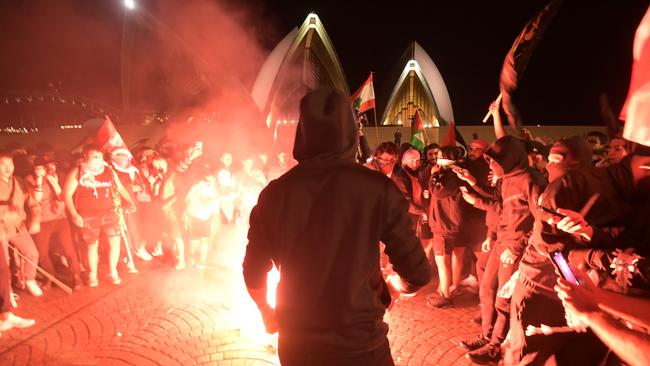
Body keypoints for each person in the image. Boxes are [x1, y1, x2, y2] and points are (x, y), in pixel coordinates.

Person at [243, 87, 431, 366]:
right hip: (360, 345)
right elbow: (417, 272)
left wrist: (266, 312)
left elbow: (253, 270)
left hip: (298, 347)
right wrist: (392, 287)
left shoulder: (275, 193)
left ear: (302, 132)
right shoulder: (378, 189)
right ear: (351, 133)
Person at [63, 144, 136, 287]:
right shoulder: (77, 172)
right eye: (93, 157)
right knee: (92, 245)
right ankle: (93, 274)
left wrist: (131, 202)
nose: (96, 159)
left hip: (109, 213)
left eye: (99, 156)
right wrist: (73, 214)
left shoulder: (108, 170)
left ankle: (112, 271)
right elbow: (67, 194)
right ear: (85, 157)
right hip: (88, 216)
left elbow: (120, 187)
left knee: (114, 242)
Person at [27, 155, 82, 290]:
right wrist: (39, 178)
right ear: (36, 168)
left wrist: (54, 183)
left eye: (52, 165)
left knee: (68, 248)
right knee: (43, 252)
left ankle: (76, 276)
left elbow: (62, 198)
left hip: (60, 218)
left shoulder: (59, 176)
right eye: (46, 167)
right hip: (43, 220)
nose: (50, 168)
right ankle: (49, 277)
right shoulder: (29, 179)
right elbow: (37, 198)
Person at [0, 152, 42, 296]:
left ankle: (30, 280)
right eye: (3, 165)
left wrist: (36, 220)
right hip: (1, 230)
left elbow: (33, 203)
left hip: (18, 226)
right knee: (3, 263)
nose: (7, 168)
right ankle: (6, 291)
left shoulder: (19, 181)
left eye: (10, 164)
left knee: (32, 253)